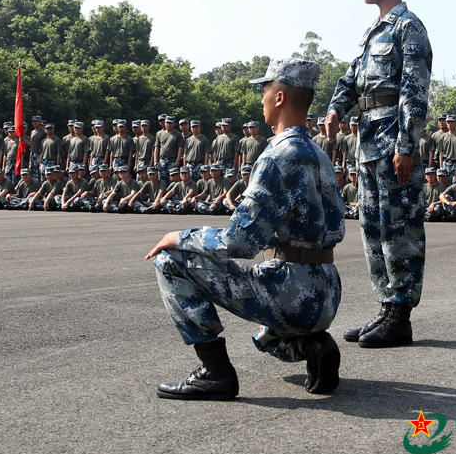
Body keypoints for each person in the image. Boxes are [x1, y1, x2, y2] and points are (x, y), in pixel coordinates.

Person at [147, 58, 345, 400]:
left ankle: (215, 373)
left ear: (280, 98)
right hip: (327, 289)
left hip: (292, 290)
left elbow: (238, 242)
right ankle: (312, 344)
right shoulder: (319, 153)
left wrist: (179, 236)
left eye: (265, 90)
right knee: (267, 331)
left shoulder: (277, 156)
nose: (262, 98)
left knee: (171, 260)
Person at [326, 0, 431, 349]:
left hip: (393, 144)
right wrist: (337, 107)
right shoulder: (374, 33)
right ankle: (386, 304)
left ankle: (400, 314)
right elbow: (352, 76)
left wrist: (405, 145)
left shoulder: (409, 28)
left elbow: (414, 92)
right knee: (372, 227)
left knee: (399, 227)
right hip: (368, 142)